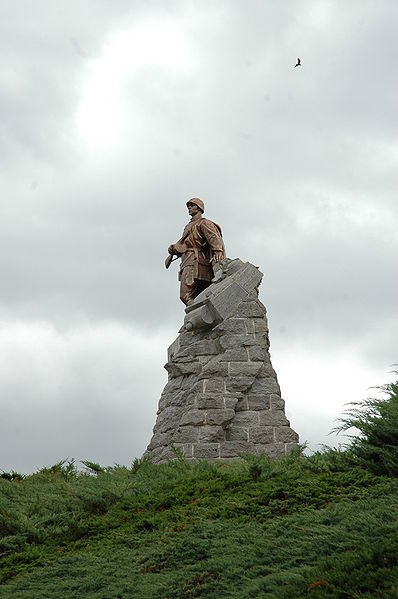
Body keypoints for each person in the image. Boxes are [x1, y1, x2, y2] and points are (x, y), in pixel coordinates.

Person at [166, 198, 226, 305]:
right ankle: (198, 311)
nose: (189, 207)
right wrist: (174, 249)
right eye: (188, 206)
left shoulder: (204, 223)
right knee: (197, 295)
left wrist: (217, 251)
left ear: (199, 208)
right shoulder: (188, 226)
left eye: (192, 205)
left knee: (184, 295)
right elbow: (185, 245)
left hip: (195, 261)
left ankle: (195, 309)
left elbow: (213, 237)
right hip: (186, 260)